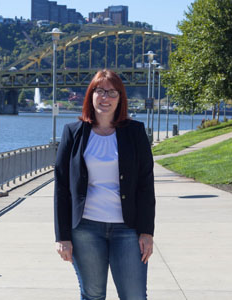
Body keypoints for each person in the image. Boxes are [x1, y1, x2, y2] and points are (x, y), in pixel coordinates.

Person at [54, 69, 156, 300]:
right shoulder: (73, 132)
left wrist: (147, 232)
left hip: (128, 230)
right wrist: (62, 236)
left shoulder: (135, 132)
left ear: (120, 99)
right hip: (85, 229)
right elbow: (61, 186)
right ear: (91, 95)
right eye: (100, 91)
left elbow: (145, 186)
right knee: (92, 295)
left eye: (112, 93)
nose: (105, 98)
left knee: (134, 296)